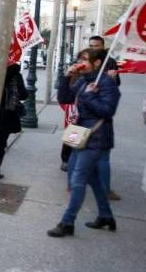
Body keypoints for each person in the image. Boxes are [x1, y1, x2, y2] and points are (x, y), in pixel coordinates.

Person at [48, 48, 120, 237]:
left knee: (77, 179)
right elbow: (65, 98)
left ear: (97, 63)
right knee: (91, 178)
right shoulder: (83, 81)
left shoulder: (106, 83)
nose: (81, 62)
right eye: (80, 58)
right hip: (80, 135)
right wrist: (66, 78)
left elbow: (107, 111)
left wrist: (88, 97)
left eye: (85, 59)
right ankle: (106, 215)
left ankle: (67, 222)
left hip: (96, 138)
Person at [87, 35, 121, 200]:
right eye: (91, 45)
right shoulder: (85, 60)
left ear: (103, 46)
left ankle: (104, 190)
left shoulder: (110, 62)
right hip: (85, 113)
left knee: (102, 156)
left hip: (101, 114)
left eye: (97, 45)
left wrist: (111, 80)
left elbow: (115, 87)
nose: (94, 48)